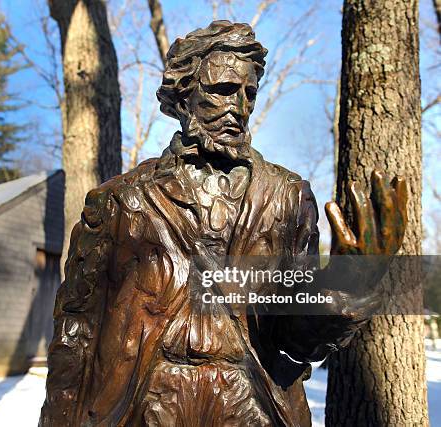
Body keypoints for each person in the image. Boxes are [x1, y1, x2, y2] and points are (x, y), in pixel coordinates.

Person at [40, 21, 407, 426]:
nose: (240, 106)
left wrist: (339, 299)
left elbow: (292, 338)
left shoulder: (286, 197)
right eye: (222, 91)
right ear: (185, 95)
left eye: (248, 93)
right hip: (148, 400)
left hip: (251, 400)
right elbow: (76, 332)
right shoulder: (122, 202)